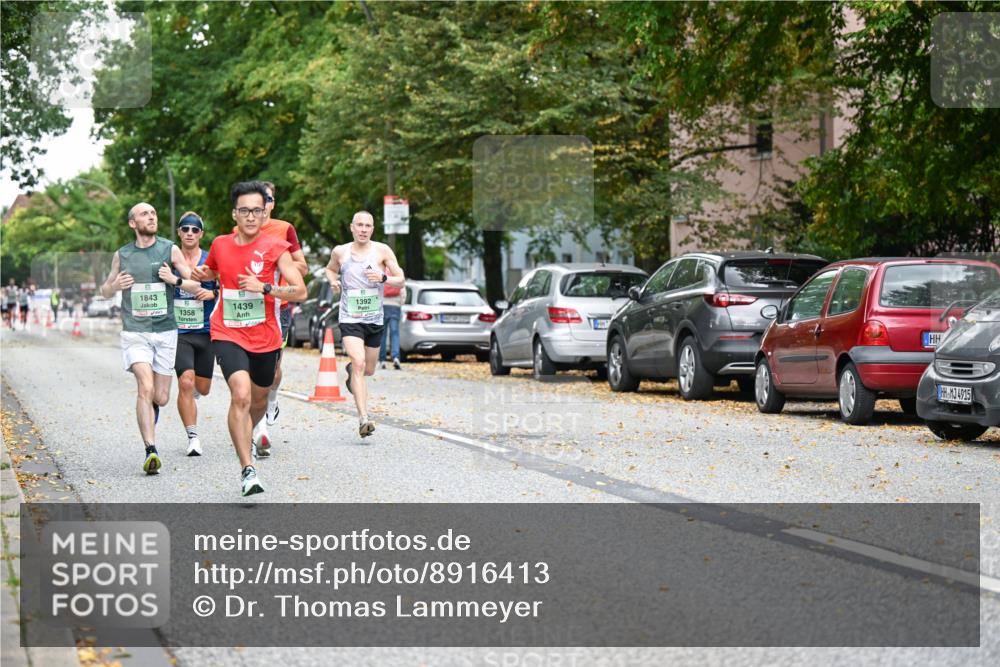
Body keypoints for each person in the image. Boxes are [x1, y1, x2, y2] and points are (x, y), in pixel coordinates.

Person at [192, 181, 306, 496]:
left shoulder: (276, 248)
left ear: (265, 211)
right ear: (235, 213)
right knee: (240, 395)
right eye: (245, 210)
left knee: (258, 400)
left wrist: (266, 287)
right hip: (227, 330)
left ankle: (250, 434)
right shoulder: (220, 244)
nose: (252, 216)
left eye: (257, 209)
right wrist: (206, 275)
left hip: (265, 336)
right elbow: (214, 270)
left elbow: (300, 290)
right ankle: (247, 469)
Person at [99, 202, 193, 475]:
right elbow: (105, 290)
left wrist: (173, 279)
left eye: (154, 213)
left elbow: (194, 284)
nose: (151, 217)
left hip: (165, 331)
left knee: (161, 397)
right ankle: (151, 449)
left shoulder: (169, 249)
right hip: (135, 331)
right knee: (145, 385)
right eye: (144, 214)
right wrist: (115, 286)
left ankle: (150, 411)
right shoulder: (122, 255)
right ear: (133, 223)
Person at [241, 182, 308, 455]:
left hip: (277, 306)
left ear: (272, 203)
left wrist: (279, 266)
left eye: (267, 200)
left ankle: (272, 400)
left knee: (272, 371)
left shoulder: (284, 229)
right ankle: (259, 432)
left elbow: (302, 266)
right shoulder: (239, 230)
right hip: (247, 309)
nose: (262, 206)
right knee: (248, 373)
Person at [324, 211, 405, 437]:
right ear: (352, 227)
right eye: (359, 225)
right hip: (350, 319)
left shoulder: (382, 251)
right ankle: (363, 419)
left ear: (372, 229)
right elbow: (329, 269)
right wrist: (333, 281)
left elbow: (401, 279)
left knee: (368, 369)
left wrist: (384, 278)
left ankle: (352, 372)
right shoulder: (341, 251)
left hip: (374, 319)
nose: (363, 229)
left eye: (367, 226)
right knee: (359, 363)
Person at [172, 212, 218, 457]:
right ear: (179, 232)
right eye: (185, 229)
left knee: (203, 387)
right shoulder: (169, 259)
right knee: (185, 382)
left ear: (201, 234)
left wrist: (213, 294)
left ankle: (192, 395)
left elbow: (227, 284)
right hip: (179, 332)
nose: (189, 233)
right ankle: (193, 437)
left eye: (194, 229)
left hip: (206, 331)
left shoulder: (211, 259)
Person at [378, 281, 404, 369]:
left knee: (382, 334)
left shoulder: (382, 272)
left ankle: (382, 360)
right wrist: (400, 303)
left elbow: (378, 290)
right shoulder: (397, 271)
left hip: (383, 305)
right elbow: (403, 291)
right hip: (395, 306)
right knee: (395, 333)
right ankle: (396, 357)